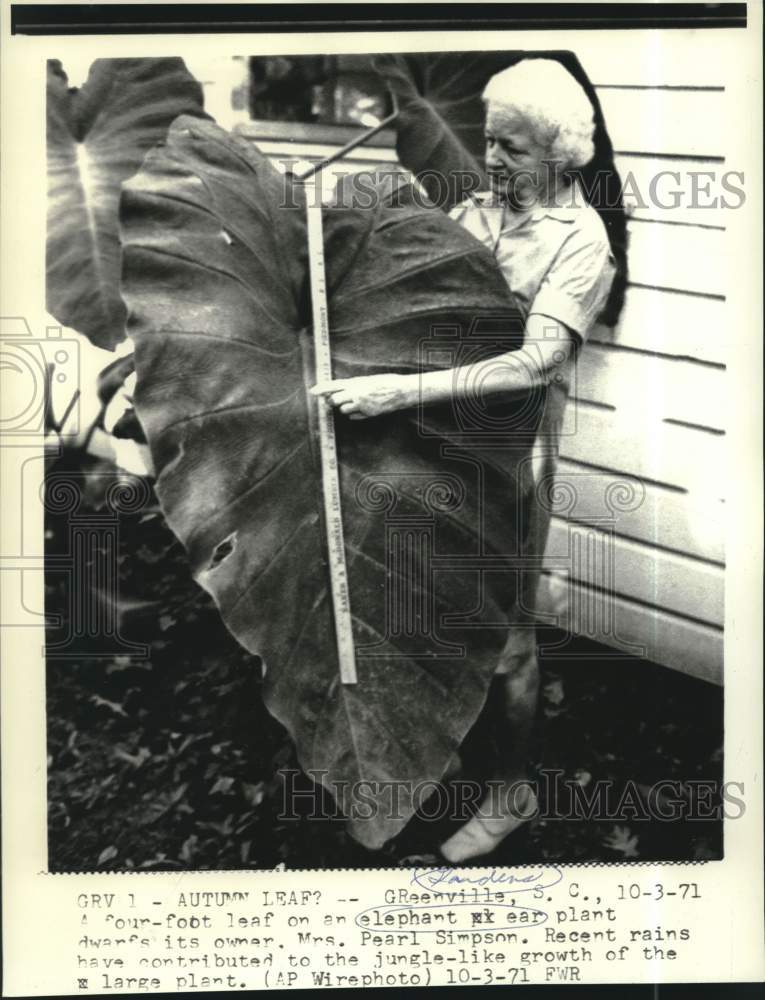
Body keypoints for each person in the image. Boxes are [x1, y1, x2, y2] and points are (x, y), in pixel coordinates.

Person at [312, 58, 616, 862]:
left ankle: (511, 795)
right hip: (433, 442)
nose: (491, 160)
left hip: (506, 457)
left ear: (559, 151)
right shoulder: (487, 206)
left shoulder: (581, 244)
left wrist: (395, 393)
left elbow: (531, 363)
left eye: (511, 147)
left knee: (510, 640)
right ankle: (437, 760)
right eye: (487, 141)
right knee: (436, 612)